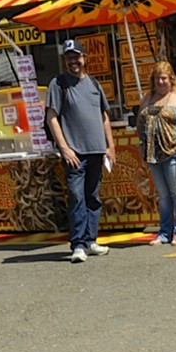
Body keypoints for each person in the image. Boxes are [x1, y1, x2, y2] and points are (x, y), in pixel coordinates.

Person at [45, 39, 116, 264]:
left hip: (96, 150)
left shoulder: (94, 84)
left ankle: (90, 240)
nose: (73, 61)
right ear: (64, 60)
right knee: (77, 198)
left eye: (76, 57)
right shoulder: (58, 84)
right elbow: (52, 117)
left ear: (84, 58)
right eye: (68, 58)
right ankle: (78, 245)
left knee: (92, 197)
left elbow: (104, 116)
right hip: (75, 152)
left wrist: (110, 145)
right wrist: (64, 148)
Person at [135, 61, 176, 245]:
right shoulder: (148, 97)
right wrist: (141, 141)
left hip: (174, 151)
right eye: (157, 79)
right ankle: (164, 232)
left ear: (171, 78)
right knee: (163, 195)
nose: (161, 82)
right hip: (153, 154)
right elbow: (140, 122)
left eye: (164, 78)